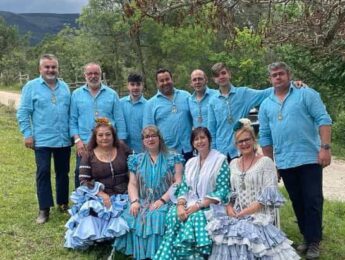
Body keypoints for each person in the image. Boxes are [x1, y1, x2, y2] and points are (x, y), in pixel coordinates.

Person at [259, 62, 332, 259]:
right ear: (270, 79)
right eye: (274, 75)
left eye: (281, 73)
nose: (278, 77)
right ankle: (306, 237)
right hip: (285, 161)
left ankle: (314, 241)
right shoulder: (266, 105)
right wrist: (270, 164)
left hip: (309, 158)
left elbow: (323, 119)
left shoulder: (306, 94)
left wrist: (325, 148)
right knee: (297, 201)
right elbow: (265, 136)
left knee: (312, 200)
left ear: (288, 74)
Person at [206, 118, 300, 259]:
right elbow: (232, 193)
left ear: (254, 139)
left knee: (245, 233)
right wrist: (230, 206)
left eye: (247, 139)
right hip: (236, 214)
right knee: (225, 235)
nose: (244, 144)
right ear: (236, 144)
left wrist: (245, 213)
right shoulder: (233, 164)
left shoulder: (265, 163)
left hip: (258, 215)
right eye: (240, 141)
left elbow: (268, 197)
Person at [155, 127, 230, 259]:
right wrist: (179, 204)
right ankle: (172, 256)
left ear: (209, 139)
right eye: (196, 139)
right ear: (192, 143)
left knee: (195, 218)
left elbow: (223, 190)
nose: (200, 141)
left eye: (203, 138)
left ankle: (192, 256)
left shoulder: (220, 161)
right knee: (174, 215)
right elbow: (184, 186)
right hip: (190, 202)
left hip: (210, 204)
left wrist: (199, 205)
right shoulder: (191, 162)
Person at [113, 125, 184, 259]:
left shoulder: (173, 157)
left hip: (166, 199)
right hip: (143, 199)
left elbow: (178, 182)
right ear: (143, 141)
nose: (150, 139)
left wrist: (162, 200)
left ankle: (157, 253)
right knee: (133, 214)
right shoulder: (136, 160)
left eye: (153, 136)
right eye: (147, 137)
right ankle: (139, 251)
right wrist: (134, 201)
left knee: (157, 215)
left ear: (159, 138)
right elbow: (133, 183)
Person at [16, 54, 71, 224]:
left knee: (63, 172)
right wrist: (27, 134)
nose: (50, 70)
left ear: (57, 68)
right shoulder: (31, 87)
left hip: (63, 138)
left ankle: (62, 203)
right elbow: (23, 112)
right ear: (40, 69)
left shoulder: (65, 87)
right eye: (47, 67)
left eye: (53, 67)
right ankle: (44, 209)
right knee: (43, 172)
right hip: (42, 139)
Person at [64, 118, 130, 249]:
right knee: (95, 211)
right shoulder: (89, 154)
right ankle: (99, 237)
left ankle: (119, 239)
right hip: (99, 194)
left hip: (124, 192)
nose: (104, 138)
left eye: (108, 134)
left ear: (113, 135)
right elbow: (84, 180)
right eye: (100, 135)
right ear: (95, 137)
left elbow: (135, 167)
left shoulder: (122, 148)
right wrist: (101, 194)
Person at [70, 62, 127, 188]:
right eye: (90, 73)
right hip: (84, 143)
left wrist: (121, 142)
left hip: (108, 142)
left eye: (96, 73)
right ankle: (81, 201)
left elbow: (119, 119)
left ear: (101, 75)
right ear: (85, 76)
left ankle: (111, 197)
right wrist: (77, 140)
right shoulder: (76, 95)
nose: (93, 76)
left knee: (109, 172)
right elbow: (72, 120)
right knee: (81, 172)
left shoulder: (112, 94)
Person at [208, 62, 273, 162]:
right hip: (222, 152)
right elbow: (211, 130)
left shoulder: (244, 94)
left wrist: (291, 84)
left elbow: (265, 93)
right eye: (217, 75)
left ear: (229, 74)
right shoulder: (212, 101)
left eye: (223, 73)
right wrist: (213, 153)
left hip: (242, 148)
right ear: (214, 80)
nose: (221, 77)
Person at [143, 68, 193, 161]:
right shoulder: (150, 104)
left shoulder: (186, 96)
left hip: (188, 149)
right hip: (166, 153)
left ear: (171, 79)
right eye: (161, 81)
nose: (165, 82)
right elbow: (148, 131)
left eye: (167, 79)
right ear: (157, 83)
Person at [120, 73, 147, 153]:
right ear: (128, 86)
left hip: (142, 150)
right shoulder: (119, 104)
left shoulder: (148, 105)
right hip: (123, 149)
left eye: (138, 84)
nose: (135, 87)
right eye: (132, 84)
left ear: (142, 86)